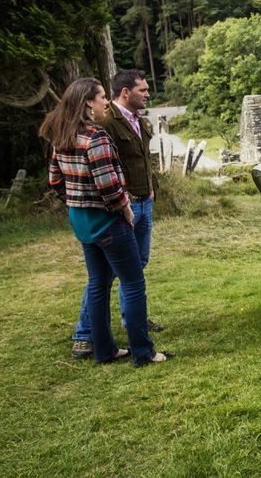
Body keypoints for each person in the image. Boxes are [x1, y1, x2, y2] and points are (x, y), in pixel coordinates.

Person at [41, 77, 169, 367]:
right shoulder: (95, 137)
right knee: (134, 282)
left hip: (82, 222)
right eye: (101, 98)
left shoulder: (62, 137)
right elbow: (109, 186)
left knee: (98, 283)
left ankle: (104, 350)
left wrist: (76, 201)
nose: (106, 103)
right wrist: (125, 209)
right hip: (108, 220)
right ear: (89, 103)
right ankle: (143, 352)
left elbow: (55, 181)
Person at [70, 69, 163, 358]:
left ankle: (130, 319)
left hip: (142, 200)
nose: (147, 94)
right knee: (109, 275)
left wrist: (151, 189)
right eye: (142, 90)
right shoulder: (105, 123)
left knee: (137, 263)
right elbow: (102, 171)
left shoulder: (139, 121)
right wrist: (120, 204)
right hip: (121, 206)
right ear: (126, 92)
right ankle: (85, 335)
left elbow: (142, 159)